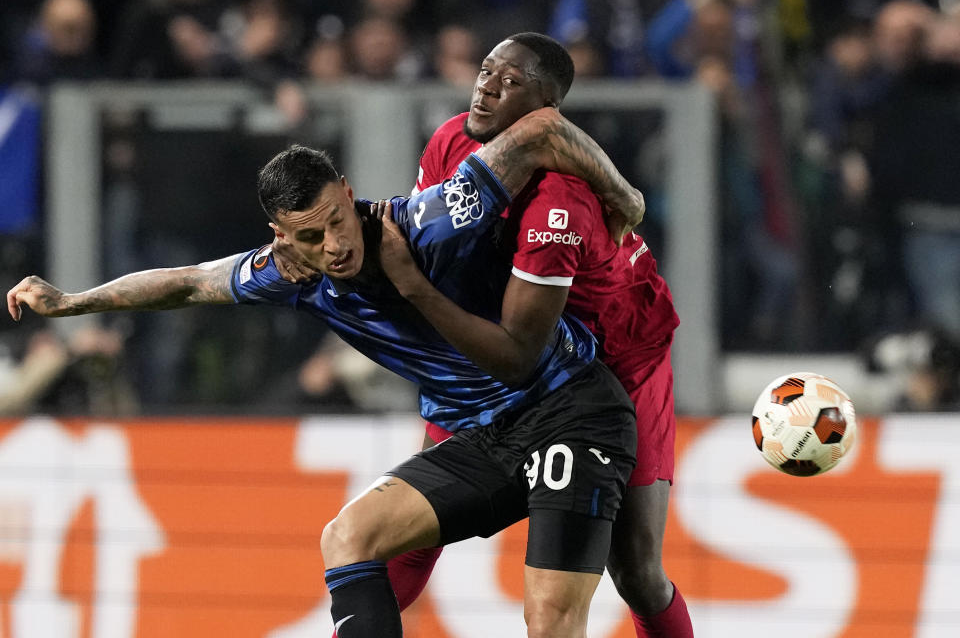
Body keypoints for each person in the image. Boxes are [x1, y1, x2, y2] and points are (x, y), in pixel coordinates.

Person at [8, 107, 645, 637]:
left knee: (549, 620)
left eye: (336, 222)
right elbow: (188, 282)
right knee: (347, 537)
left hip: (570, 408)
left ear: (347, 191)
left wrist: (621, 194)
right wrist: (72, 301)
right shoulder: (291, 274)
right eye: (308, 238)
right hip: (484, 434)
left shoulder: (426, 221)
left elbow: (537, 132)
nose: (332, 247)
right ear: (280, 236)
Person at [368, 31, 693, 638]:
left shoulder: (561, 197)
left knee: (638, 571)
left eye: (510, 80)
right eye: (486, 69)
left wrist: (410, 296)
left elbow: (521, 347)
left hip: (621, 364)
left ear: (546, 109)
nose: (486, 84)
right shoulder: (451, 139)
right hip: (517, 347)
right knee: (407, 534)